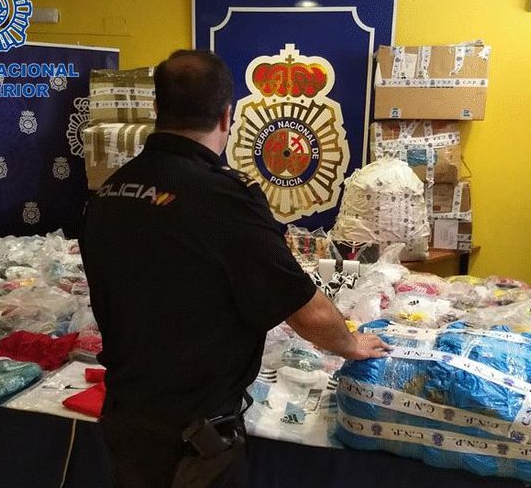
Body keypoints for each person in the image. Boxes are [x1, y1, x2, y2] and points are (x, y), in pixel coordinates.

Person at [80, 49, 390, 488]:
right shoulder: (223, 199)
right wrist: (351, 344)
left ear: (156, 109)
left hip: (124, 421)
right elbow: (306, 312)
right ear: (227, 115)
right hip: (192, 442)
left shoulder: (110, 191)